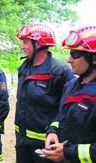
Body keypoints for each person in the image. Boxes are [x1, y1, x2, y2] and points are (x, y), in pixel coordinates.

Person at [14, 23, 75, 163]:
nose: (22, 46)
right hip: (22, 141)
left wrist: (55, 131)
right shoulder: (24, 68)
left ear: (38, 44)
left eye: (25, 42)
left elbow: (66, 108)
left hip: (47, 145)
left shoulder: (60, 71)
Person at [43, 26, 96, 163]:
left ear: (94, 59)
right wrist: (53, 131)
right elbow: (61, 116)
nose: (68, 60)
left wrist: (68, 152)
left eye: (75, 54)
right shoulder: (71, 85)